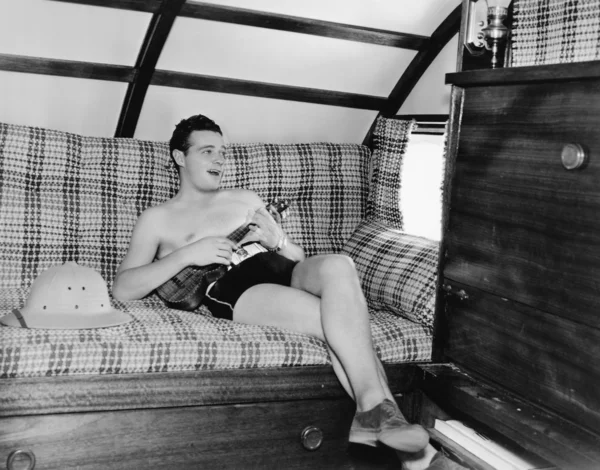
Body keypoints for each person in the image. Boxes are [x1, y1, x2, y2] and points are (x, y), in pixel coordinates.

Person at [112, 114, 436, 464]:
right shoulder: (158, 218)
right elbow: (123, 288)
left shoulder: (246, 198)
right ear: (180, 157)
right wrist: (187, 255)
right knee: (335, 322)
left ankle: (377, 421)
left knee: (340, 265)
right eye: (207, 151)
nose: (219, 160)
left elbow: (297, 256)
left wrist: (277, 239)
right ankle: (399, 437)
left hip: (285, 268)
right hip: (239, 287)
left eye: (222, 152)